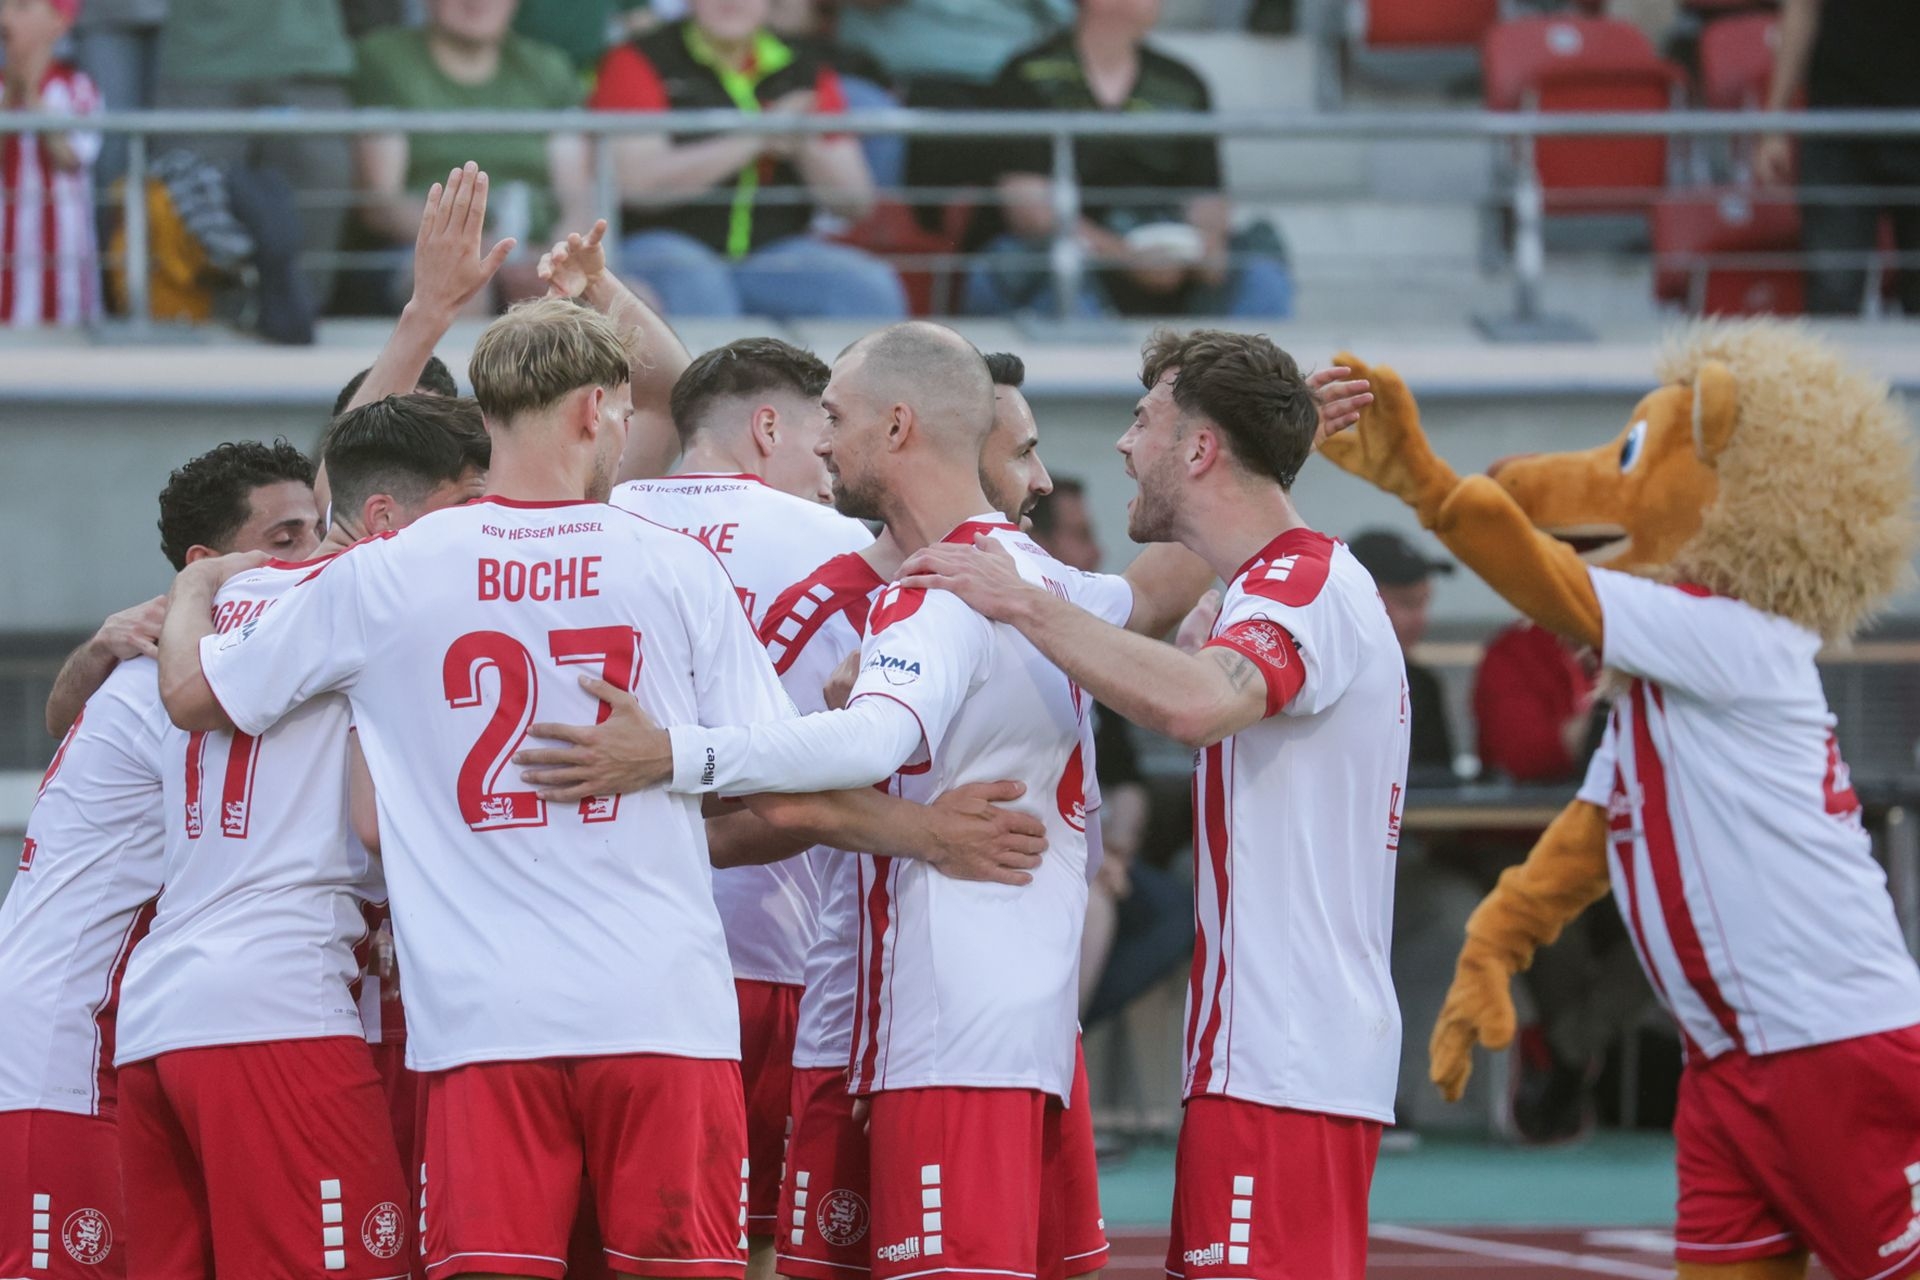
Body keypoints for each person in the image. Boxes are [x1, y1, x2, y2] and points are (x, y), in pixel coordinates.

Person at [153, 301, 1044, 1280]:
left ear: (489, 413)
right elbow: (785, 789)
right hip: (660, 1012)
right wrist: (925, 829)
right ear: (591, 409)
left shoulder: (384, 574)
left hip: (482, 1025)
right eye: (621, 411)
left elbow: (194, 696)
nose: (624, 432)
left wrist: (191, 592)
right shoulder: (673, 567)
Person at [895, 330, 1405, 1278]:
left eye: (1142, 421)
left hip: (1283, 1057)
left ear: (1200, 448)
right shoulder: (1272, 584)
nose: (1124, 445)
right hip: (1280, 1054)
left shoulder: (1299, 581)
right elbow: (1161, 628)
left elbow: (1199, 703)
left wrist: (1021, 601)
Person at [113, 396, 496, 1280]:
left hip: (160, 1018)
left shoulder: (228, 596)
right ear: (388, 519)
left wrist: (194, 589)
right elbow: (374, 822)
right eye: (468, 506)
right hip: (277, 1010)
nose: (482, 529)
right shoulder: (376, 599)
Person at [0, 438, 320, 1280]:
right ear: (204, 566)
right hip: (64, 1046)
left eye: (316, 531)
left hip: (108, 1039)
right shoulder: (194, 684)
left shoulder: (159, 662)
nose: (312, 556)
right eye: (283, 539)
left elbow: (62, 714)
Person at [607, 332, 870, 1275]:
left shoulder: (592, 520)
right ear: (767, 427)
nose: (833, 472)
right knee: (754, 1250)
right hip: (774, 944)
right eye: (823, 443)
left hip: (608, 943)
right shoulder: (847, 548)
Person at [968, 0, 1291, 320]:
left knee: (1260, 273)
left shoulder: (1182, 82)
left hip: (1172, 259)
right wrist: (1122, 255)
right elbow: (1030, 210)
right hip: (1077, 258)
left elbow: (1206, 194)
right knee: (1042, 271)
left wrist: (1203, 247)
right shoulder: (1028, 74)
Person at [588, 0, 908, 319]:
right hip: (660, 246)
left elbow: (855, 202)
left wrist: (804, 139)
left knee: (869, 287)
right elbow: (638, 185)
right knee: (699, 284)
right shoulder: (637, 58)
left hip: (771, 253)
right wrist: (760, 135)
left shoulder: (802, 67)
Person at [1026, 474, 1195, 1024]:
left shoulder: (1088, 632)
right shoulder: (1012, 627)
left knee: (1179, 910)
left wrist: (1115, 852)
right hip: (1035, 846)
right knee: (1096, 909)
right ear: (1038, 541)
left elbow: (1126, 779)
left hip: (1094, 849)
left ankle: (1066, 1031)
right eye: (1081, 534)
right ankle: (1058, 1033)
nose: (1097, 551)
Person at [352, 0, 592, 312]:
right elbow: (383, 202)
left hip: (536, 252)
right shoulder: (384, 59)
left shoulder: (549, 67)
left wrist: (553, 257)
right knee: (459, 287)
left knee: (616, 299)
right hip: (420, 251)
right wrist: (481, 253)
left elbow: (576, 199)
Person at [152, 0, 353, 307]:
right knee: (188, 213)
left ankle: (299, 320)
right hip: (200, 57)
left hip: (310, 54)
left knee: (320, 198)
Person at [1755, 0, 1920, 315]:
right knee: (1833, 290)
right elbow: (1802, 10)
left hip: (1913, 124)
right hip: (1836, 130)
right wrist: (1774, 124)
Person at [1, 0, 102, 327]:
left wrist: (31, 97)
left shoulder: (77, 88)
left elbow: (73, 155)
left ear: (59, 22)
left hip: (64, 271)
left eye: (21, 7)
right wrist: (10, 98)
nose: (5, 17)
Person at [1349, 528, 1454, 784]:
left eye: (1424, 602)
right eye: (1407, 603)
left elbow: (1439, 786)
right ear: (1357, 599)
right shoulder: (1316, 682)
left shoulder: (1423, 687)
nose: (1421, 619)